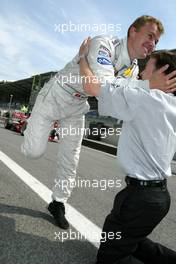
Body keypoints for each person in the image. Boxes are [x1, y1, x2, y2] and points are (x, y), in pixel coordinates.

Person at [21, 15, 176, 230]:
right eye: (150, 36)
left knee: (71, 158)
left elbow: (123, 95)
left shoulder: (132, 68)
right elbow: (103, 86)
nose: (153, 44)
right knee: (33, 152)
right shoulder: (104, 44)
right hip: (56, 96)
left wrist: (146, 87)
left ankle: (58, 203)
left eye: (157, 41)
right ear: (133, 31)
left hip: (77, 106)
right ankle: (34, 121)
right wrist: (148, 84)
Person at [78, 38, 176, 263]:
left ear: (161, 72)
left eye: (147, 66)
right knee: (132, 239)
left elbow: (92, 86)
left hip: (140, 198)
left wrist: (82, 58)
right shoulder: (170, 103)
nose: (140, 72)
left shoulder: (143, 99)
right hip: (158, 197)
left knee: (111, 258)